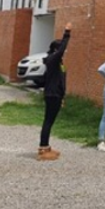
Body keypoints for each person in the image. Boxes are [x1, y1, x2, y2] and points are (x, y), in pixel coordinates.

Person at [37, 22, 72, 161]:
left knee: (50, 121)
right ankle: (43, 149)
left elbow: (60, 80)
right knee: (48, 121)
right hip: (52, 94)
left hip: (56, 94)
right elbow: (62, 49)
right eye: (61, 49)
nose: (65, 52)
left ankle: (46, 147)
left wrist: (62, 96)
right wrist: (67, 33)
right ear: (56, 50)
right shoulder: (53, 59)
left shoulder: (57, 62)